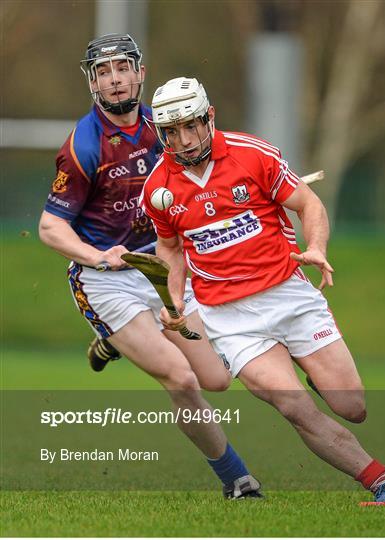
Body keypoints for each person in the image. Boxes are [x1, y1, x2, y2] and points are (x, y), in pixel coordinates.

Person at [140, 76, 385, 506]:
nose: (184, 140)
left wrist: (317, 247)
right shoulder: (157, 190)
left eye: (191, 125)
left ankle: (313, 369)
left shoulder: (254, 154)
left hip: (288, 294)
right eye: (171, 132)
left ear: (209, 117)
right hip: (229, 318)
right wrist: (173, 301)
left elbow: (308, 204)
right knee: (294, 408)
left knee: (352, 406)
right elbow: (171, 250)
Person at [38, 35, 262, 499]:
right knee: (180, 378)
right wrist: (100, 257)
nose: (114, 79)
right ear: (92, 82)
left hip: (161, 269)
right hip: (106, 280)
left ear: (141, 73)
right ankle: (237, 479)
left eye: (122, 68)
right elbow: (49, 228)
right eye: (103, 71)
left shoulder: (165, 126)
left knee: (216, 380)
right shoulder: (83, 144)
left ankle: (111, 341)